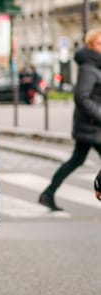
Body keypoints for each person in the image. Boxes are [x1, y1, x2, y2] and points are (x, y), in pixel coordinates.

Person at [39, 28, 101, 211]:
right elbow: (82, 97)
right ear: (90, 45)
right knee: (76, 160)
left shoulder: (95, 65)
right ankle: (48, 193)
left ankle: (48, 193)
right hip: (91, 126)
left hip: (90, 125)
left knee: (76, 159)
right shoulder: (89, 67)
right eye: (99, 43)